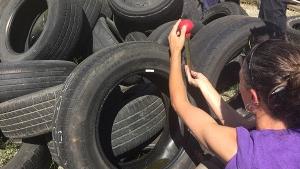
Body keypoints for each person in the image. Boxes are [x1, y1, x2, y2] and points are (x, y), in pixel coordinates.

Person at [168, 20, 300, 169]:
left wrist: (175, 52)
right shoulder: (290, 120)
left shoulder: (252, 155)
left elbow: (180, 103)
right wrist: (205, 85)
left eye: (241, 81)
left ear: (253, 97)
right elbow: (245, 126)